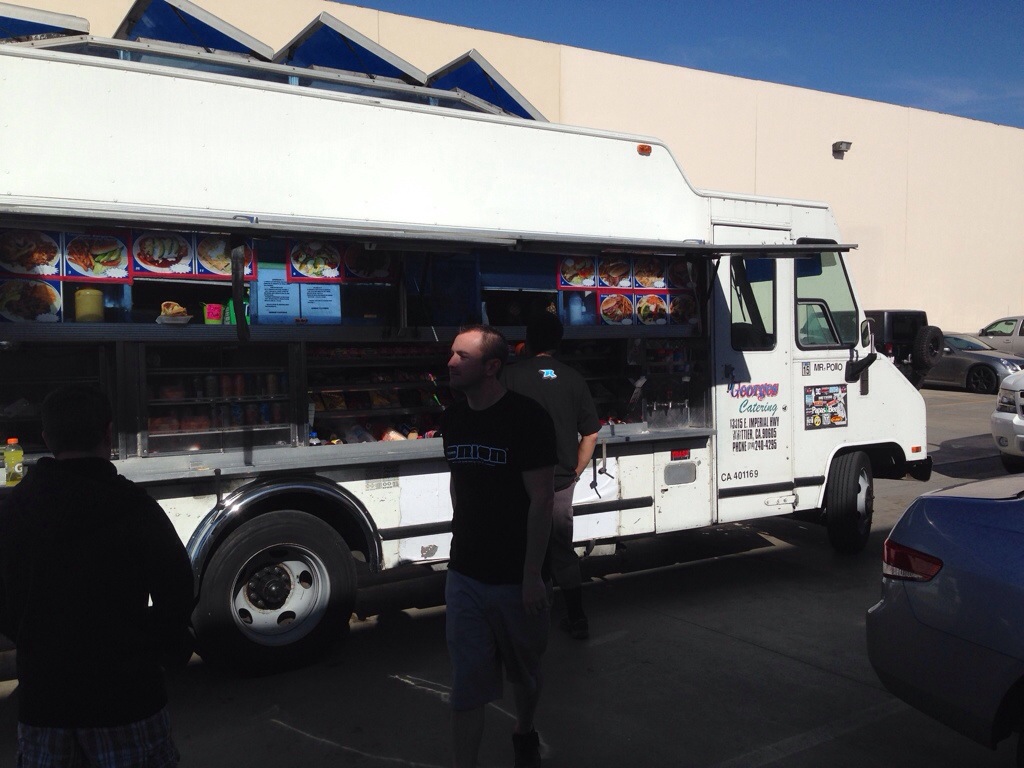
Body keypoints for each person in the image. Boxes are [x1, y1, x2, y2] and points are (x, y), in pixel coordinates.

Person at [0, 385, 194, 768]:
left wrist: (36, 644)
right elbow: (176, 594)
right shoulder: (136, 508)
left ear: (46, 438)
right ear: (108, 433)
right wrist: (160, 651)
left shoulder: (13, 510)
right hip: (128, 700)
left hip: (43, 703)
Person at [443, 325, 557, 768]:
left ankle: (524, 729)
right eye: (452, 354)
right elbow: (459, 483)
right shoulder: (453, 418)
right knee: (467, 684)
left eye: (463, 357)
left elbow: (542, 500)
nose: (451, 363)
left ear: (492, 367)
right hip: (465, 575)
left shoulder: (527, 418)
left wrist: (532, 576)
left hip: (516, 578)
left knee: (525, 675)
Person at [504, 311, 600, 640]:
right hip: (559, 481)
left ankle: (526, 621)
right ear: (559, 342)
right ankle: (577, 618)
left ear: (527, 341)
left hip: (518, 482)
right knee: (560, 548)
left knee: (522, 548)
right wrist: (575, 471)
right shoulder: (574, 378)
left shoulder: (509, 376)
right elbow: (591, 434)